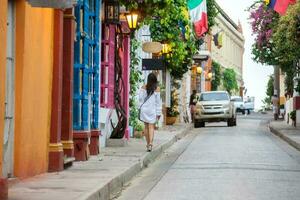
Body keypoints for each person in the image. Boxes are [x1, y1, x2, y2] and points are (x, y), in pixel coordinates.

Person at [139, 73, 162, 152]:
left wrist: (140, 108)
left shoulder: (143, 87)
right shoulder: (157, 89)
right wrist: (158, 113)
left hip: (145, 110)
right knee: (151, 127)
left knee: (146, 127)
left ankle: (148, 144)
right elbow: (158, 102)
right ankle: (151, 144)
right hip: (152, 110)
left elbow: (140, 99)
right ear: (155, 80)